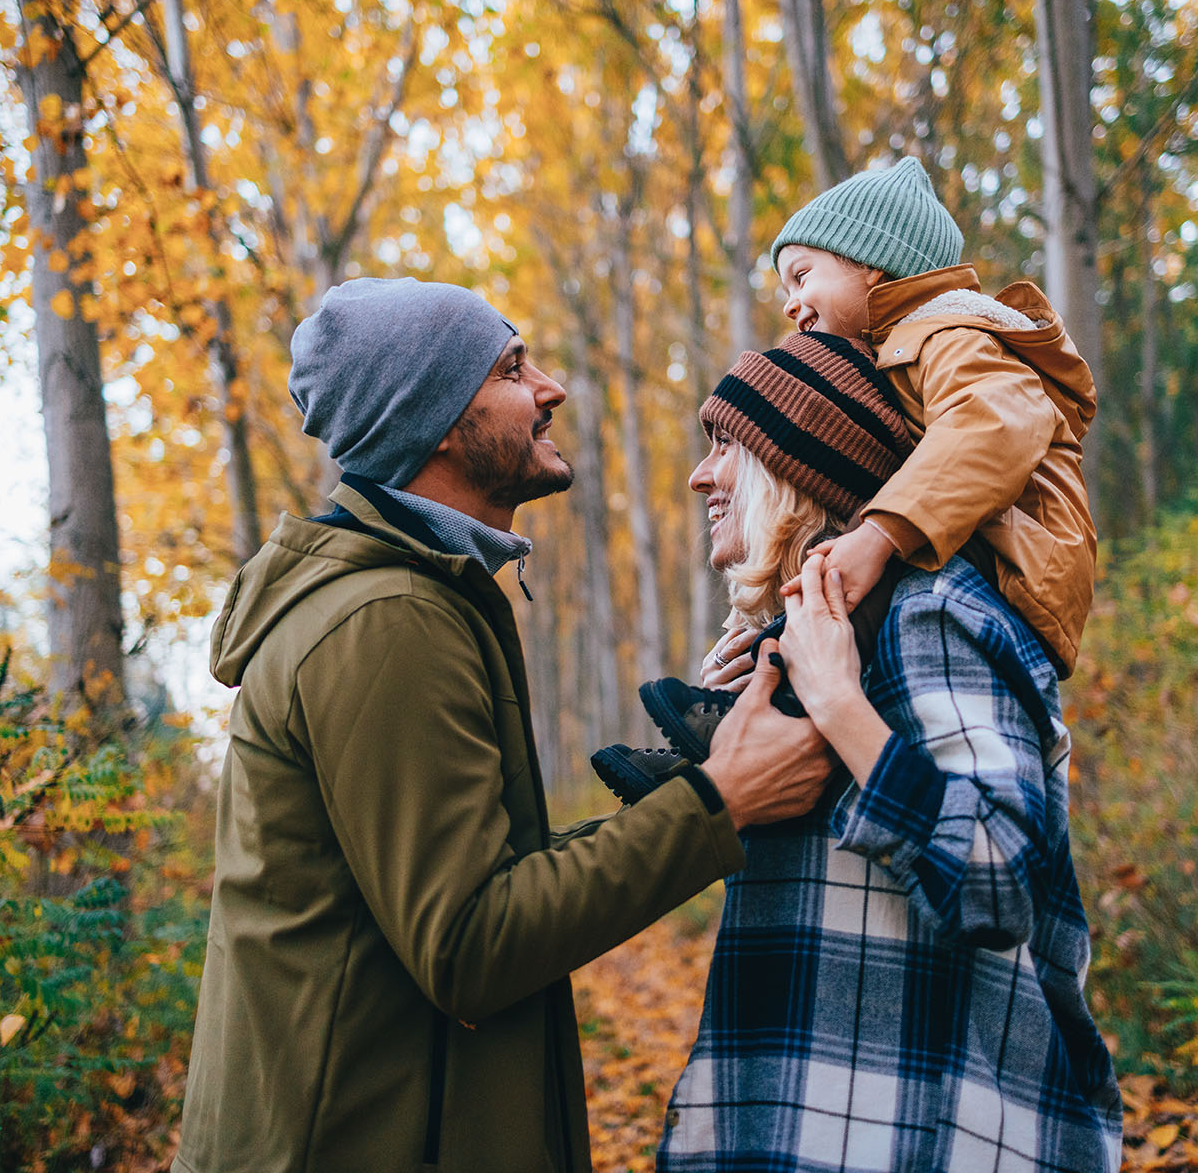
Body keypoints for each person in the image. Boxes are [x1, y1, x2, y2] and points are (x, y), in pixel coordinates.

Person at [173, 277, 835, 1173]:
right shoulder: (384, 621)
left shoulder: (412, 597)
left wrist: (696, 793)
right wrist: (721, 804)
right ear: (441, 418)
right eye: (514, 368)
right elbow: (470, 945)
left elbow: (477, 881)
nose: (551, 387)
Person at [652, 332, 1122, 1172]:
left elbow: (999, 877)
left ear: (800, 462)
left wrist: (842, 710)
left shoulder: (930, 614)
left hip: (926, 1139)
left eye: (724, 443)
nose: (700, 474)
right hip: (814, 1127)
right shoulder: (824, 635)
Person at [643, 156, 1096, 759]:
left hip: (1017, 559)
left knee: (862, 583)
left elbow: (992, 426)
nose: (790, 304)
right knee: (836, 595)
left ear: (874, 268)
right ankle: (738, 720)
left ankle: (753, 717)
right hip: (974, 538)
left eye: (802, 277)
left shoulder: (953, 336)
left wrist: (879, 536)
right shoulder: (904, 352)